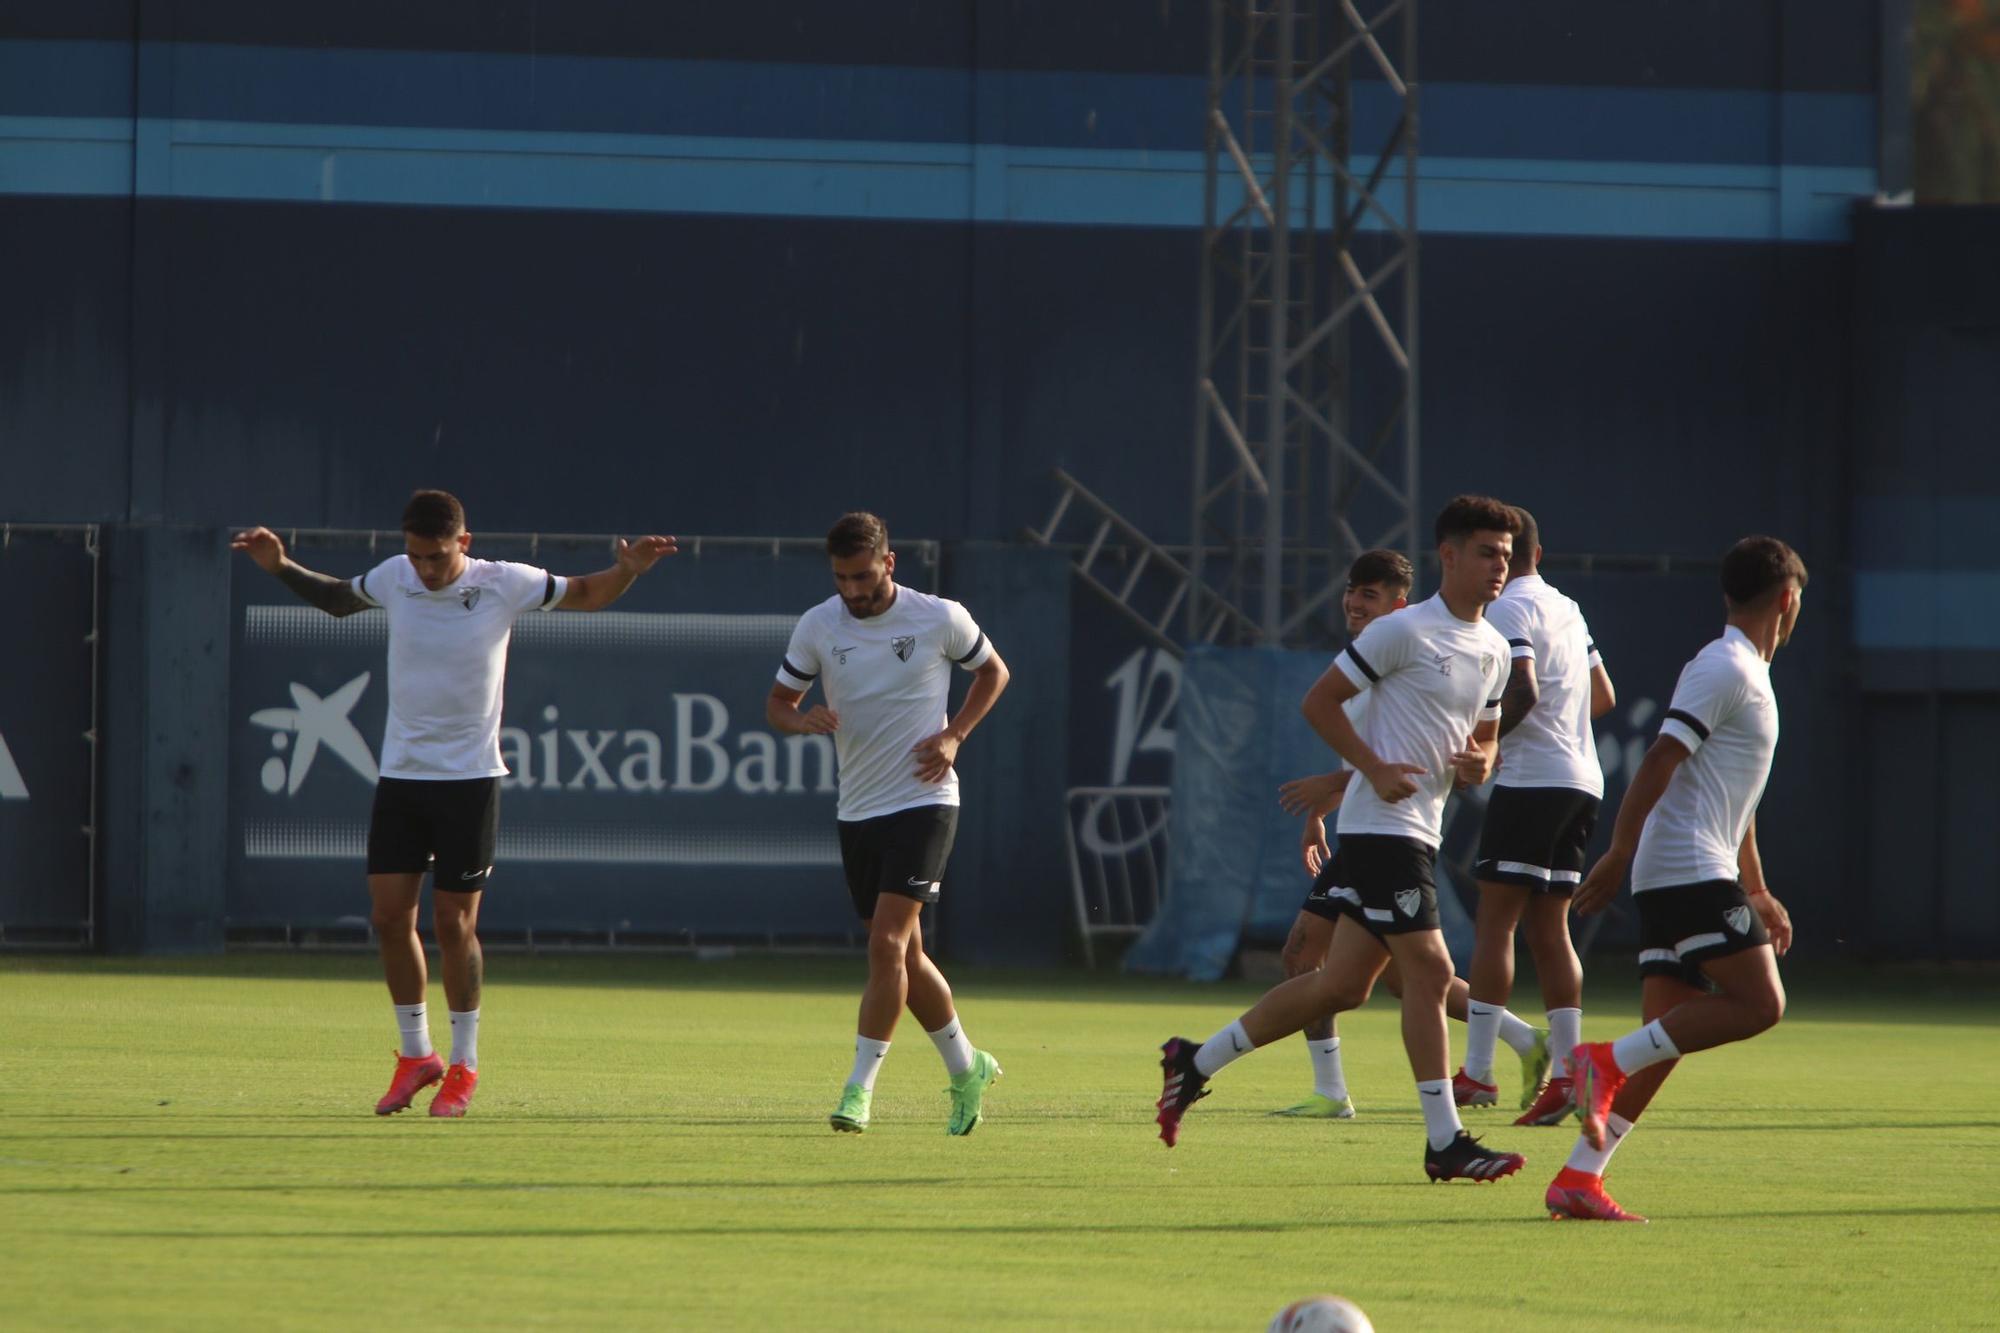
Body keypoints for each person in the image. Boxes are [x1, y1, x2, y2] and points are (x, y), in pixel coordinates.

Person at [232, 491, 675, 1117]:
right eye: (417, 556)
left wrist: (628, 570)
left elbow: (585, 593)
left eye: (437, 556)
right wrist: (280, 566)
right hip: (402, 776)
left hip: (470, 780)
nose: (425, 569)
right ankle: (418, 1057)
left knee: (453, 925)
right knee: (389, 920)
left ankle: (464, 1065)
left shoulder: (505, 583)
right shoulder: (395, 576)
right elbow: (337, 600)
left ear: (463, 544)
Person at [1157, 496, 1529, 1183]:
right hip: (1383, 831)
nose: (1498, 566)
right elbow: (1318, 703)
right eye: (1485, 552)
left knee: (1342, 986)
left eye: (1506, 555)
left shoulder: (1494, 649)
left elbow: (1486, 734)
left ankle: (1194, 1060)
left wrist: (1482, 758)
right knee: (1427, 972)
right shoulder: (1401, 632)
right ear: (1447, 556)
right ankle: (1445, 1139)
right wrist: (1373, 767)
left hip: (1415, 828)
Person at [1545, 536, 1803, 1223]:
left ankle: (1579, 1176)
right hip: (1687, 865)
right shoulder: (1727, 667)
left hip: (1691, 863)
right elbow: (1661, 756)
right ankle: (1595, 1063)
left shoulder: (1746, 671)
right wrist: (1619, 849)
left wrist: (1756, 887)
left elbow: (1732, 798)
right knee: (1760, 1003)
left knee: (1665, 1036)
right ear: (1788, 599)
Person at [1271, 551, 1545, 1119]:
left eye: (1369, 594)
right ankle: (1523, 1039)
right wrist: (1325, 805)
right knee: (1406, 976)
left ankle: (1329, 1091)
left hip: (1390, 834)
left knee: (1307, 956)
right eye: (1351, 590)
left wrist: (1341, 781)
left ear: (1397, 605)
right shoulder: (1372, 656)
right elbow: (1370, 755)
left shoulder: (1412, 650)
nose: (1353, 601)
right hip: (1366, 830)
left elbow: (1406, 762)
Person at [766, 512, 1011, 1136]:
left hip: (926, 799)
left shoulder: (939, 616)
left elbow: (993, 672)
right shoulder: (819, 625)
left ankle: (858, 1089)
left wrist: (955, 735)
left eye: (864, 576)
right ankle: (967, 1066)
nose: (854, 590)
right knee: (907, 953)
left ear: (890, 563)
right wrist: (803, 720)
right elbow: (778, 705)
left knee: (885, 946)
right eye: (843, 578)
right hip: (859, 807)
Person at [1460, 508, 1616, 1124]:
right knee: (1551, 930)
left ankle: (1477, 1073)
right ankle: (1570, 1074)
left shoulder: (1507, 607)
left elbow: (1521, 689)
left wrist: (1493, 746)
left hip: (1533, 781)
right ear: (1541, 553)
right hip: (1583, 779)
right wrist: (1561, 732)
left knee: (1495, 924)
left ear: (1506, 555)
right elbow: (1601, 696)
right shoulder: (1568, 607)